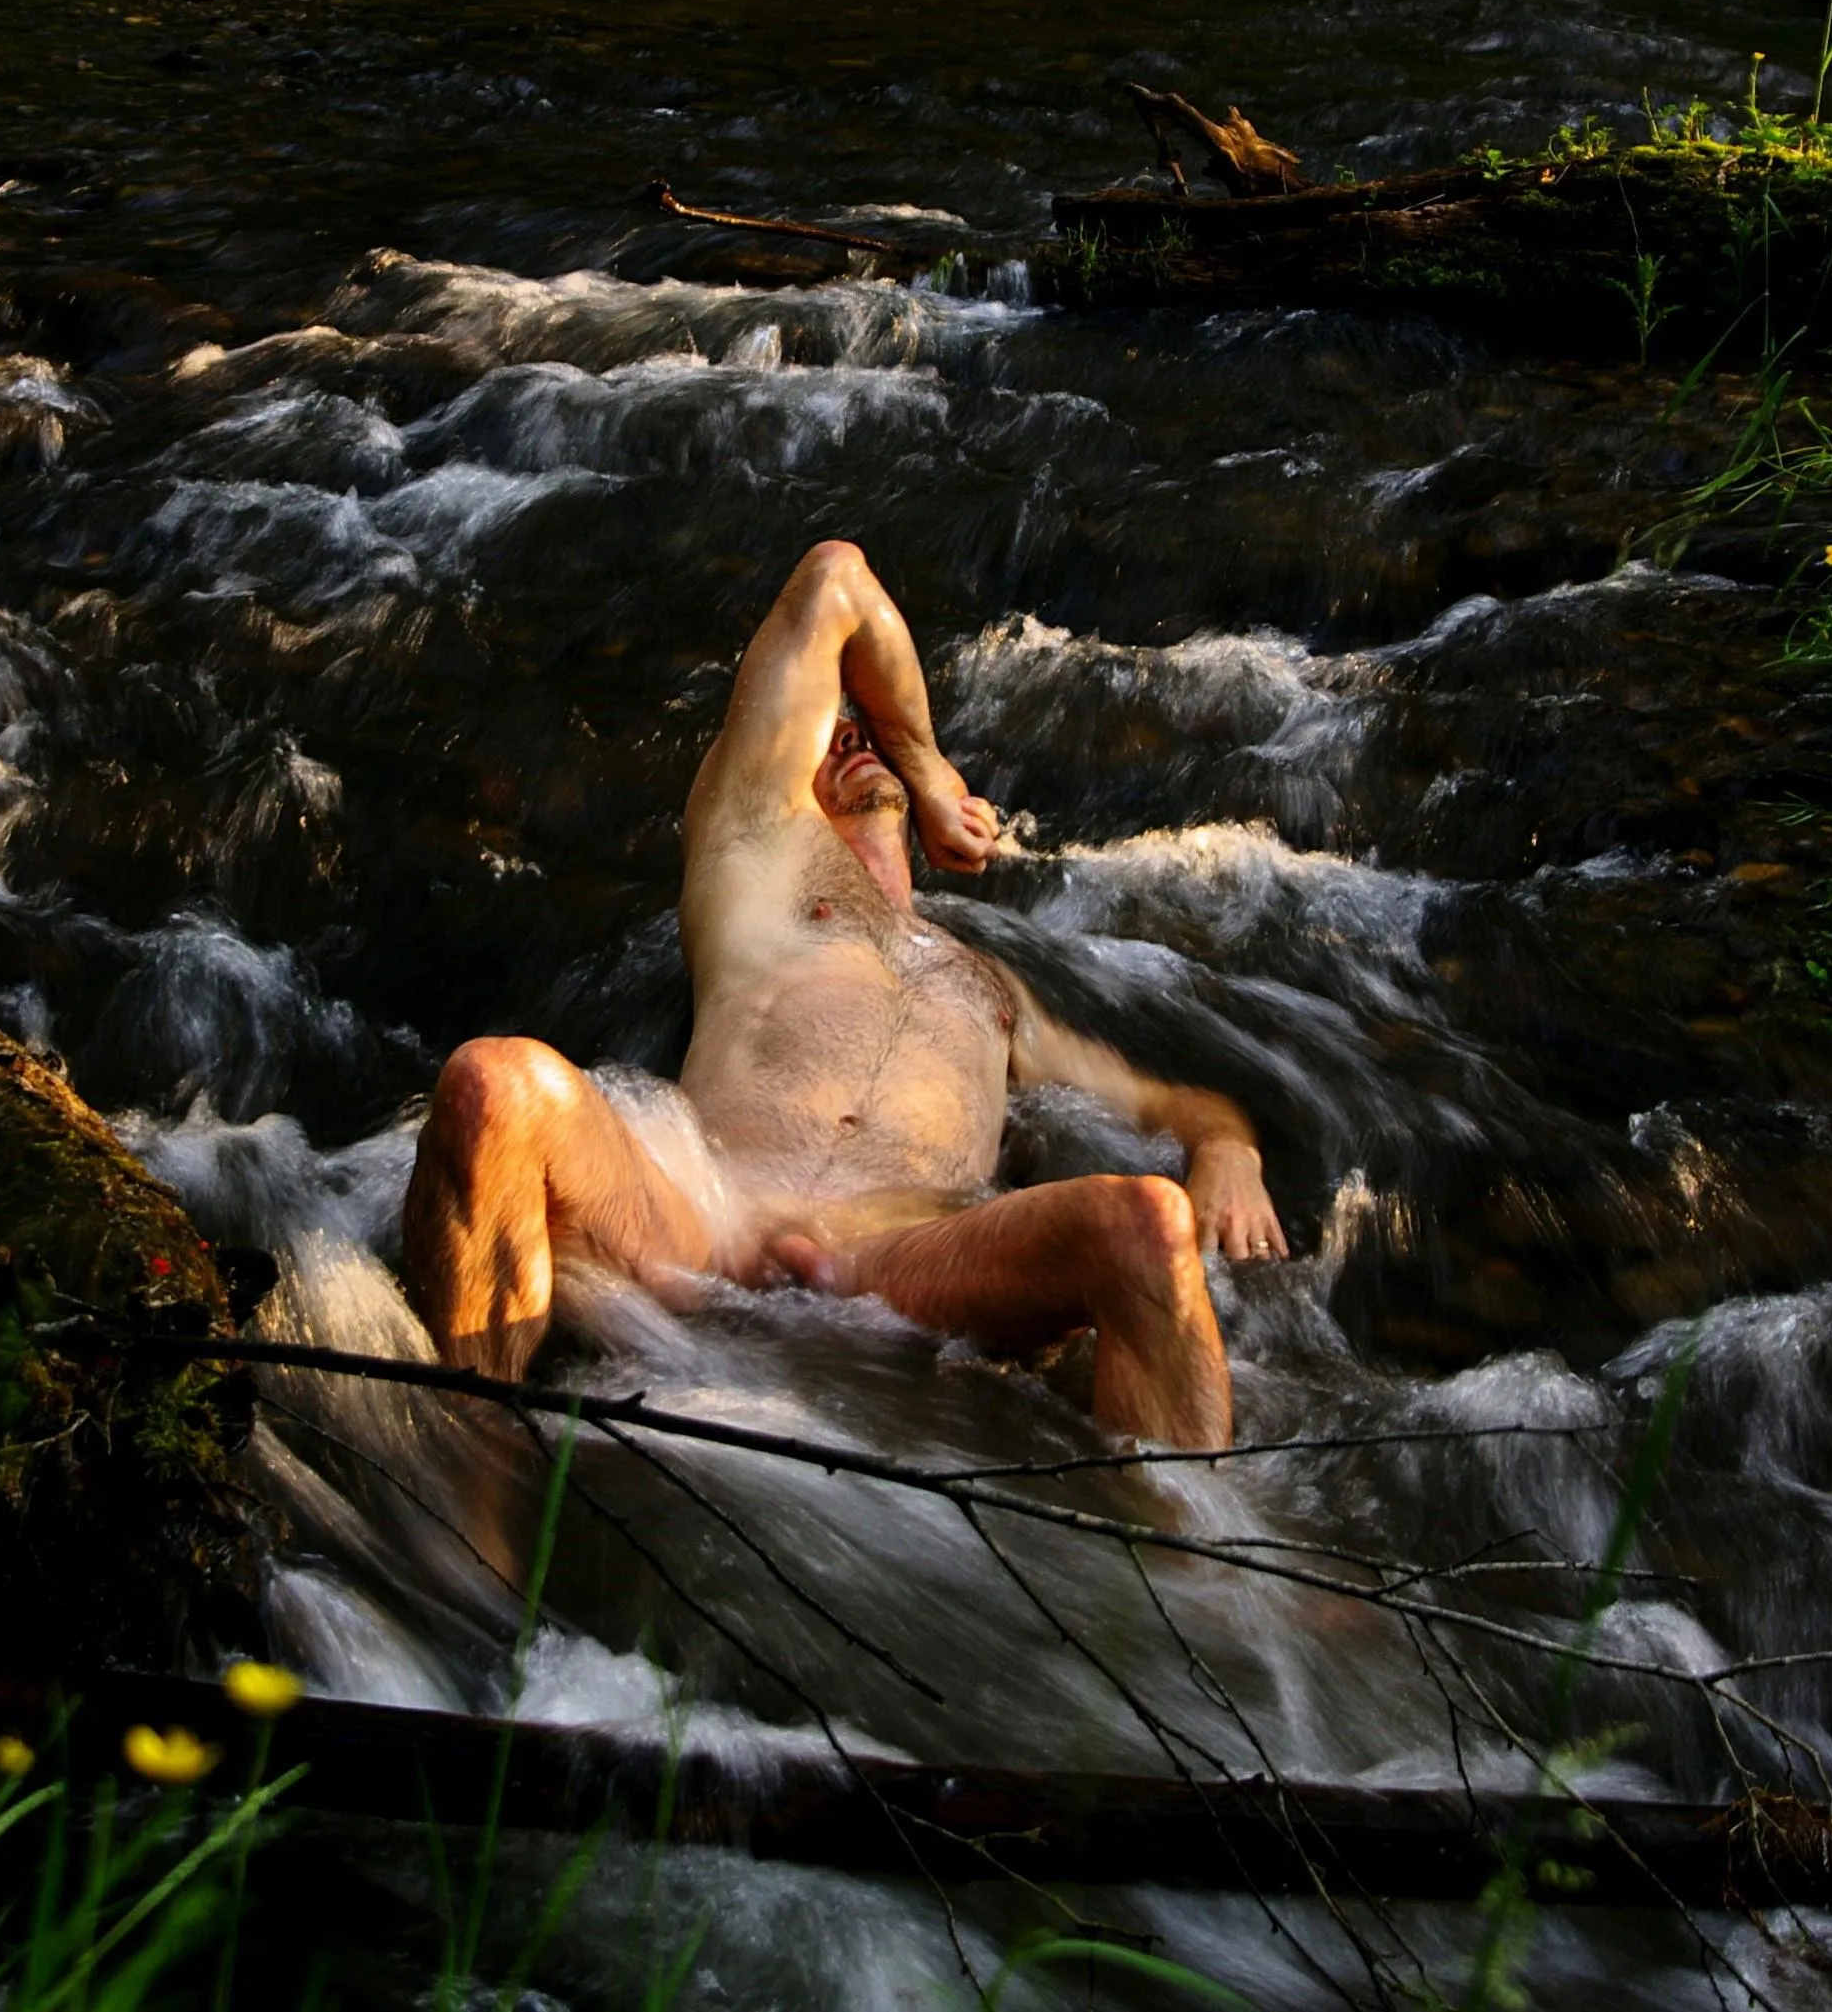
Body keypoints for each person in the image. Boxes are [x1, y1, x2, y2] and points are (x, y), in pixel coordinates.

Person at [403, 540, 1288, 1448]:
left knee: (1145, 1223)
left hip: (899, 1261)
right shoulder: (756, 847)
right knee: (492, 1083)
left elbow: (1164, 1103)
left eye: (870, 729)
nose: (854, 734)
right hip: (706, 1218)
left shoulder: (993, 989)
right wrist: (929, 763)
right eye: (837, 729)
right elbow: (835, 581)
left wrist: (1226, 1146)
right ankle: (472, 1487)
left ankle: (1195, 1574)